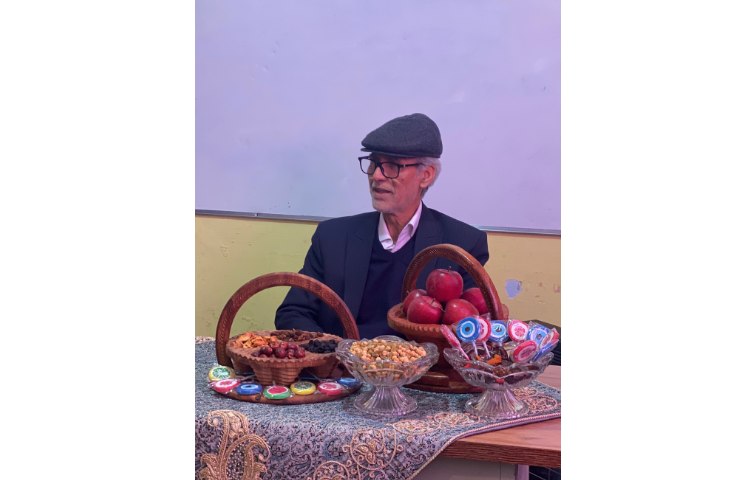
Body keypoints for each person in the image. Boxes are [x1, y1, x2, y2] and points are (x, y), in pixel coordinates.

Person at [275, 113, 489, 339]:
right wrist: (335, 351)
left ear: (426, 176)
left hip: (421, 362)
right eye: (374, 163)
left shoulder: (461, 244)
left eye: (392, 166)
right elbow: (293, 312)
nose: (376, 176)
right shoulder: (332, 238)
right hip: (340, 360)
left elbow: (470, 331)